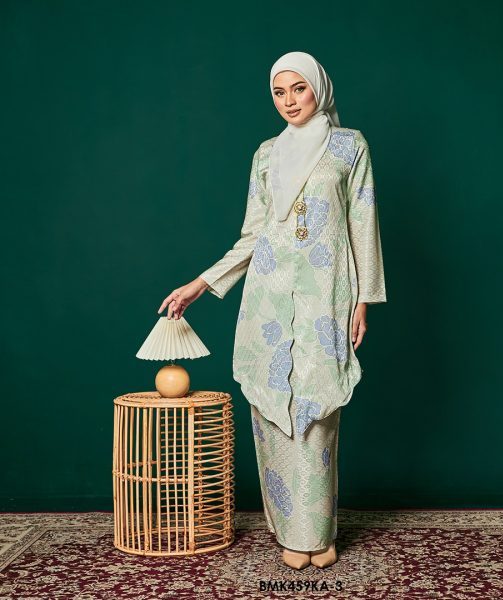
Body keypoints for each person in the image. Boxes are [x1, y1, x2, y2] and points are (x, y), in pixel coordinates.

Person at [157, 51, 387, 570]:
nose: (289, 101)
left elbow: (364, 222)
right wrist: (201, 284)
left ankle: (317, 534)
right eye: (279, 92)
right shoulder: (266, 154)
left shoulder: (349, 146)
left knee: (317, 411)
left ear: (318, 89)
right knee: (273, 413)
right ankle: (290, 533)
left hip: (326, 295)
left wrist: (364, 300)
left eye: (298, 89)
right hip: (268, 298)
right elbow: (253, 235)